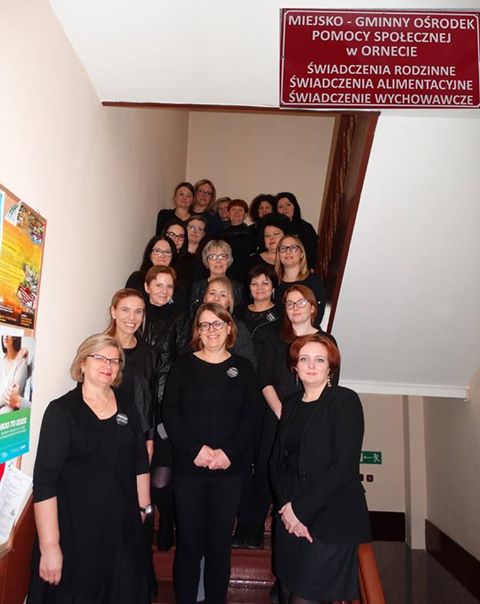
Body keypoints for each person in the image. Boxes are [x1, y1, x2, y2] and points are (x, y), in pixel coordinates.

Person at [27, 334, 151, 604]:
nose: (108, 365)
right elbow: (45, 481)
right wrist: (50, 546)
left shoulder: (127, 403)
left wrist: (143, 508)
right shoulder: (62, 411)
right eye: (100, 358)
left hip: (122, 528)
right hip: (76, 532)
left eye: (115, 361)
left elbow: (140, 459)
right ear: (82, 363)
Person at [163, 302, 261, 604]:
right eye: (205, 325)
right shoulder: (183, 365)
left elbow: (252, 416)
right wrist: (194, 450)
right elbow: (170, 412)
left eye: (217, 323)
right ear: (198, 331)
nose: (211, 330)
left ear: (229, 328)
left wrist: (228, 453)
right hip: (189, 470)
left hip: (229, 472)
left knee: (219, 547)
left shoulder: (244, 368)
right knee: (189, 546)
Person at [270, 333, 370, 604]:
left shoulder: (344, 401)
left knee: (305, 598)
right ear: (295, 366)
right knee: (286, 591)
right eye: (304, 359)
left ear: (330, 368)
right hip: (290, 517)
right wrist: (288, 509)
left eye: (320, 359)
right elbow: (276, 462)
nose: (311, 365)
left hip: (331, 518)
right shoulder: (290, 404)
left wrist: (300, 511)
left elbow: (344, 465)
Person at [248, 285, 337, 550]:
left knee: (304, 472)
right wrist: (282, 413)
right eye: (290, 304)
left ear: (313, 307)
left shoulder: (327, 340)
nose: (295, 308)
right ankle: (253, 531)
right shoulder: (274, 337)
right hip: (276, 415)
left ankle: (302, 527)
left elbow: (331, 384)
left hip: (312, 421)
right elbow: (264, 379)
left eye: (301, 303)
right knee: (266, 469)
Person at [142, 265, 191, 551]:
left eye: (169, 286)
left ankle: (168, 516)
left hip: (167, 402)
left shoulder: (180, 316)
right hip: (136, 402)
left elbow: (183, 359)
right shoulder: (136, 313)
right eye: (158, 284)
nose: (163, 290)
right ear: (147, 286)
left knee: (160, 480)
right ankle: (145, 525)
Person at [203, 277, 256, 368]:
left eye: (223, 295)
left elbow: (248, 367)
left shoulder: (238, 328)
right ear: (204, 298)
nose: (216, 298)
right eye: (212, 293)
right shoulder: (196, 325)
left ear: (229, 302)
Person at [274, 235, 326, 326]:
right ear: (278, 255)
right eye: (283, 248)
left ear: (302, 254)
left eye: (293, 248)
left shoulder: (314, 281)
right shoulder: (273, 283)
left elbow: (318, 316)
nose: (288, 252)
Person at [236, 264, 281, 362]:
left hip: (270, 365)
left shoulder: (281, 313)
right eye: (254, 284)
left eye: (265, 283)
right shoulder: (238, 312)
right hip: (241, 364)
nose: (259, 287)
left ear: (273, 288)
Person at [189, 239, 244, 318]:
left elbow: (239, 317)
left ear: (228, 260)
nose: (218, 261)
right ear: (206, 261)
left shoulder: (237, 288)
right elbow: (192, 316)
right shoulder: (197, 287)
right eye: (213, 257)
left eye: (223, 256)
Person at [275, 192, 318, 270]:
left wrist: (310, 268)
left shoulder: (306, 227)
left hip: (302, 268)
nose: (285, 208)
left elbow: (311, 251)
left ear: (295, 206)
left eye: (288, 205)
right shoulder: (274, 229)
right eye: (280, 207)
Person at [221, 199, 254, 282]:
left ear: (245, 215)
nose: (236, 212)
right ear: (228, 213)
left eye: (240, 210)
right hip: (225, 271)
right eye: (233, 209)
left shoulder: (252, 233)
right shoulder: (220, 234)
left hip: (245, 272)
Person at [0, 335, 29, 413]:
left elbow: (11, 396)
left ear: (15, 338)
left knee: (6, 411)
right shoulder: (1, 360)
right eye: (4, 334)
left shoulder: (21, 362)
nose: (5, 336)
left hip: (9, 410)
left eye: (8, 334)